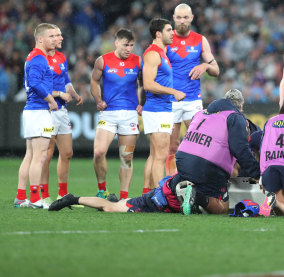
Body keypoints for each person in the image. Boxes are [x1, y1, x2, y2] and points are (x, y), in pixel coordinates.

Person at [175, 89, 260, 215]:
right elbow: (240, 149)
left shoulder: (201, 113)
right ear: (241, 106)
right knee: (222, 208)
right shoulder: (236, 117)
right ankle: (197, 195)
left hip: (182, 161)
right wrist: (256, 172)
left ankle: (186, 191)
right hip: (207, 166)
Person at [166, 3, 219, 176]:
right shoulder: (165, 39)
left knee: (197, 145)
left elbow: (216, 70)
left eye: (185, 17)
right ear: (173, 18)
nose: (182, 21)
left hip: (192, 100)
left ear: (192, 18)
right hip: (171, 100)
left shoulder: (200, 40)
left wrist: (204, 66)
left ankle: (193, 182)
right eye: (179, 17)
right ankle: (171, 187)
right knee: (172, 147)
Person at [90, 28, 143, 200]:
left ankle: (124, 197)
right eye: (126, 45)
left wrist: (142, 103)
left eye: (132, 45)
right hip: (109, 114)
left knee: (126, 157)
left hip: (129, 115)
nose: (129, 49)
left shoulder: (138, 61)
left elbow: (143, 84)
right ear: (117, 43)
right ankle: (102, 189)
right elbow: (94, 81)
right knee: (98, 152)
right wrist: (98, 99)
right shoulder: (103, 61)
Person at [14, 23, 59, 208]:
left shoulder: (34, 56)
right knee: (39, 156)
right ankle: (34, 199)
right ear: (40, 39)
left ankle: (20, 196)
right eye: (51, 36)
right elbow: (34, 82)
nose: (55, 40)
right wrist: (51, 99)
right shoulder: (39, 57)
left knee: (30, 154)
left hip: (32, 110)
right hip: (39, 110)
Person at [40, 26, 84, 205]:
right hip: (46, 110)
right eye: (55, 35)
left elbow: (65, 79)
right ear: (45, 38)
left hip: (62, 110)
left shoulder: (61, 57)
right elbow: (36, 87)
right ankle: (42, 195)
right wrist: (59, 94)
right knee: (47, 153)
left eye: (59, 34)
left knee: (66, 152)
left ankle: (62, 194)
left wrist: (73, 93)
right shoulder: (39, 59)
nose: (60, 38)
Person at [142, 18, 186, 191]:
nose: (172, 33)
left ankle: (148, 192)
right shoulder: (153, 54)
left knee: (154, 156)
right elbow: (148, 84)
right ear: (158, 34)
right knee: (160, 156)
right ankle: (161, 194)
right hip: (157, 109)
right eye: (169, 30)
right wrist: (173, 92)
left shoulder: (163, 53)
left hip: (162, 109)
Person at [48, 174, 195, 214]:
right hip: (149, 202)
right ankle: (71, 199)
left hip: (153, 198)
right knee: (109, 207)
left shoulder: (182, 176)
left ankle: (116, 200)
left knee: (114, 205)